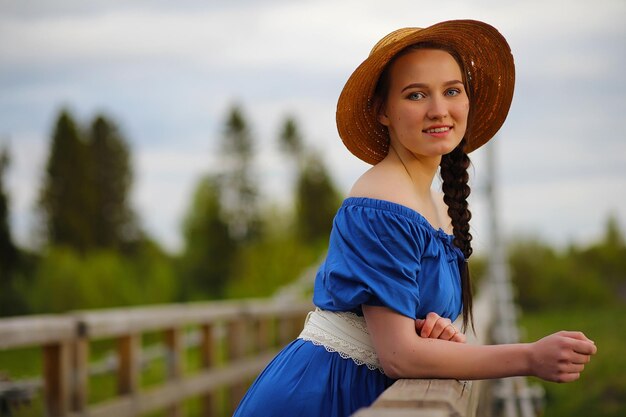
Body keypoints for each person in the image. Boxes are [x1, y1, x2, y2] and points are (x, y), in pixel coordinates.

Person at [233, 19, 597, 417]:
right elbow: (399, 357)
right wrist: (529, 357)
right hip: (325, 395)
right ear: (383, 111)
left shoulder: (434, 204)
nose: (439, 110)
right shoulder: (382, 201)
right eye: (416, 94)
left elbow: (404, 333)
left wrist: (432, 331)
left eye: (452, 91)